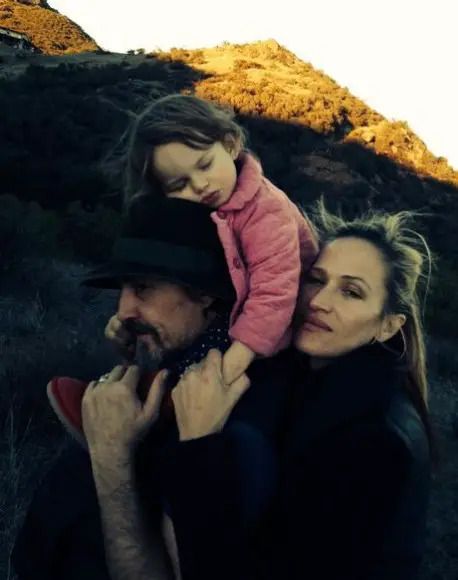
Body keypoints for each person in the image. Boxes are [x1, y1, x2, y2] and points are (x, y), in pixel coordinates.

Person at [13, 200, 433, 580]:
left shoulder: (372, 442)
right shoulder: (302, 381)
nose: (320, 300)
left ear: (388, 326)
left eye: (351, 292)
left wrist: (176, 446)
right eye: (315, 280)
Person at [13, 193, 296, 580]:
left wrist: (111, 455)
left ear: (204, 294)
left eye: (143, 289)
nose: (123, 310)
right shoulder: (179, 368)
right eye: (123, 291)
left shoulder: (231, 424)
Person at [114, 92, 318, 384]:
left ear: (231, 145)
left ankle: (165, 405)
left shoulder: (266, 211)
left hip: (282, 327)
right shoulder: (203, 210)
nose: (200, 185)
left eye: (205, 165)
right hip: (238, 313)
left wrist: (234, 362)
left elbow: (275, 293)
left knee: (212, 373)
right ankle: (132, 392)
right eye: (180, 183)